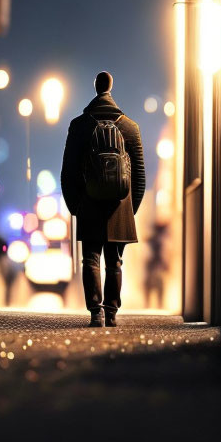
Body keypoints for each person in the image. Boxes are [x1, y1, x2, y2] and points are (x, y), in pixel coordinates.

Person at [60, 71, 145, 327]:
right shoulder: (130, 127)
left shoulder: (80, 125)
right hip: (121, 205)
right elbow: (139, 175)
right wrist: (131, 208)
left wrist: (75, 206)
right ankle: (111, 312)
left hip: (89, 202)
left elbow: (68, 171)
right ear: (111, 88)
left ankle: (95, 312)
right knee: (115, 262)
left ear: (95, 88)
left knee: (91, 259)